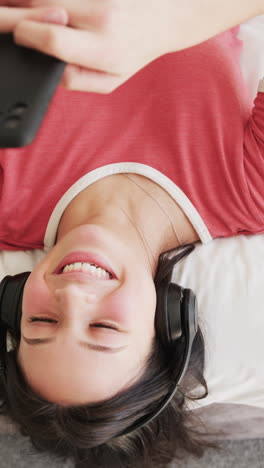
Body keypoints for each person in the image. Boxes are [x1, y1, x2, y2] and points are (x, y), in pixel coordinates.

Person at [0, 1, 263, 467]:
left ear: (15, 302)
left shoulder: (6, 205)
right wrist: (165, 23)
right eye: (103, 327)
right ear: (167, 323)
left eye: (41, 323)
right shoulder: (248, 192)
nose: (74, 297)